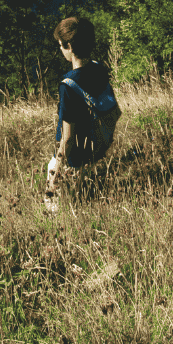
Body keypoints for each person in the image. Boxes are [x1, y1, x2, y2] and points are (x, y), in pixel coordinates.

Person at [48, 16, 118, 207]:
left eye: (61, 45)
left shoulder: (68, 85)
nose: (60, 49)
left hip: (72, 163)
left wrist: (55, 174)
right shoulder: (99, 69)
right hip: (95, 158)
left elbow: (68, 138)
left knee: (57, 213)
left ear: (69, 46)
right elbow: (113, 112)